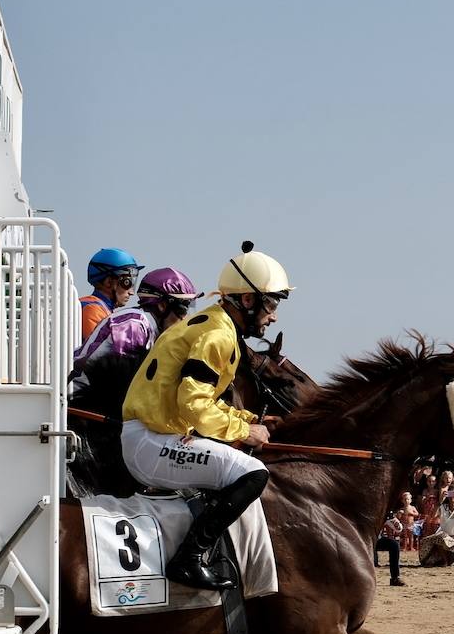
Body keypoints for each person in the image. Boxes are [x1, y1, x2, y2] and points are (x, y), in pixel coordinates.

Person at [121, 240, 290, 589]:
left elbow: (203, 401)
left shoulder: (217, 326)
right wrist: (244, 433)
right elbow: (194, 406)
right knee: (254, 474)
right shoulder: (217, 335)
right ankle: (189, 559)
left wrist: (248, 421)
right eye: (271, 304)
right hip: (149, 442)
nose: (273, 315)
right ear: (247, 300)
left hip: (154, 435)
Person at [71, 266, 199, 382]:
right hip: (77, 396)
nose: (185, 318)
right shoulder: (134, 323)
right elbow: (122, 379)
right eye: (183, 309)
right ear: (162, 305)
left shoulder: (151, 327)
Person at [79, 248, 144, 341]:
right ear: (108, 282)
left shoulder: (103, 310)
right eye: (127, 283)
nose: (131, 292)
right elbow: (97, 351)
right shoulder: (92, 309)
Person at [419, 487, 454, 566]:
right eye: (450, 494)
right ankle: (445, 560)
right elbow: (433, 516)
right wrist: (440, 501)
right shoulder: (443, 507)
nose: (452, 497)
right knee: (440, 537)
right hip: (445, 537)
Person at [375, 511, 405, 585]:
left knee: (394, 545)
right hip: (357, 538)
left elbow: (399, 529)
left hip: (374, 539)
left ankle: (395, 578)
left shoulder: (384, 513)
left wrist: (392, 519)